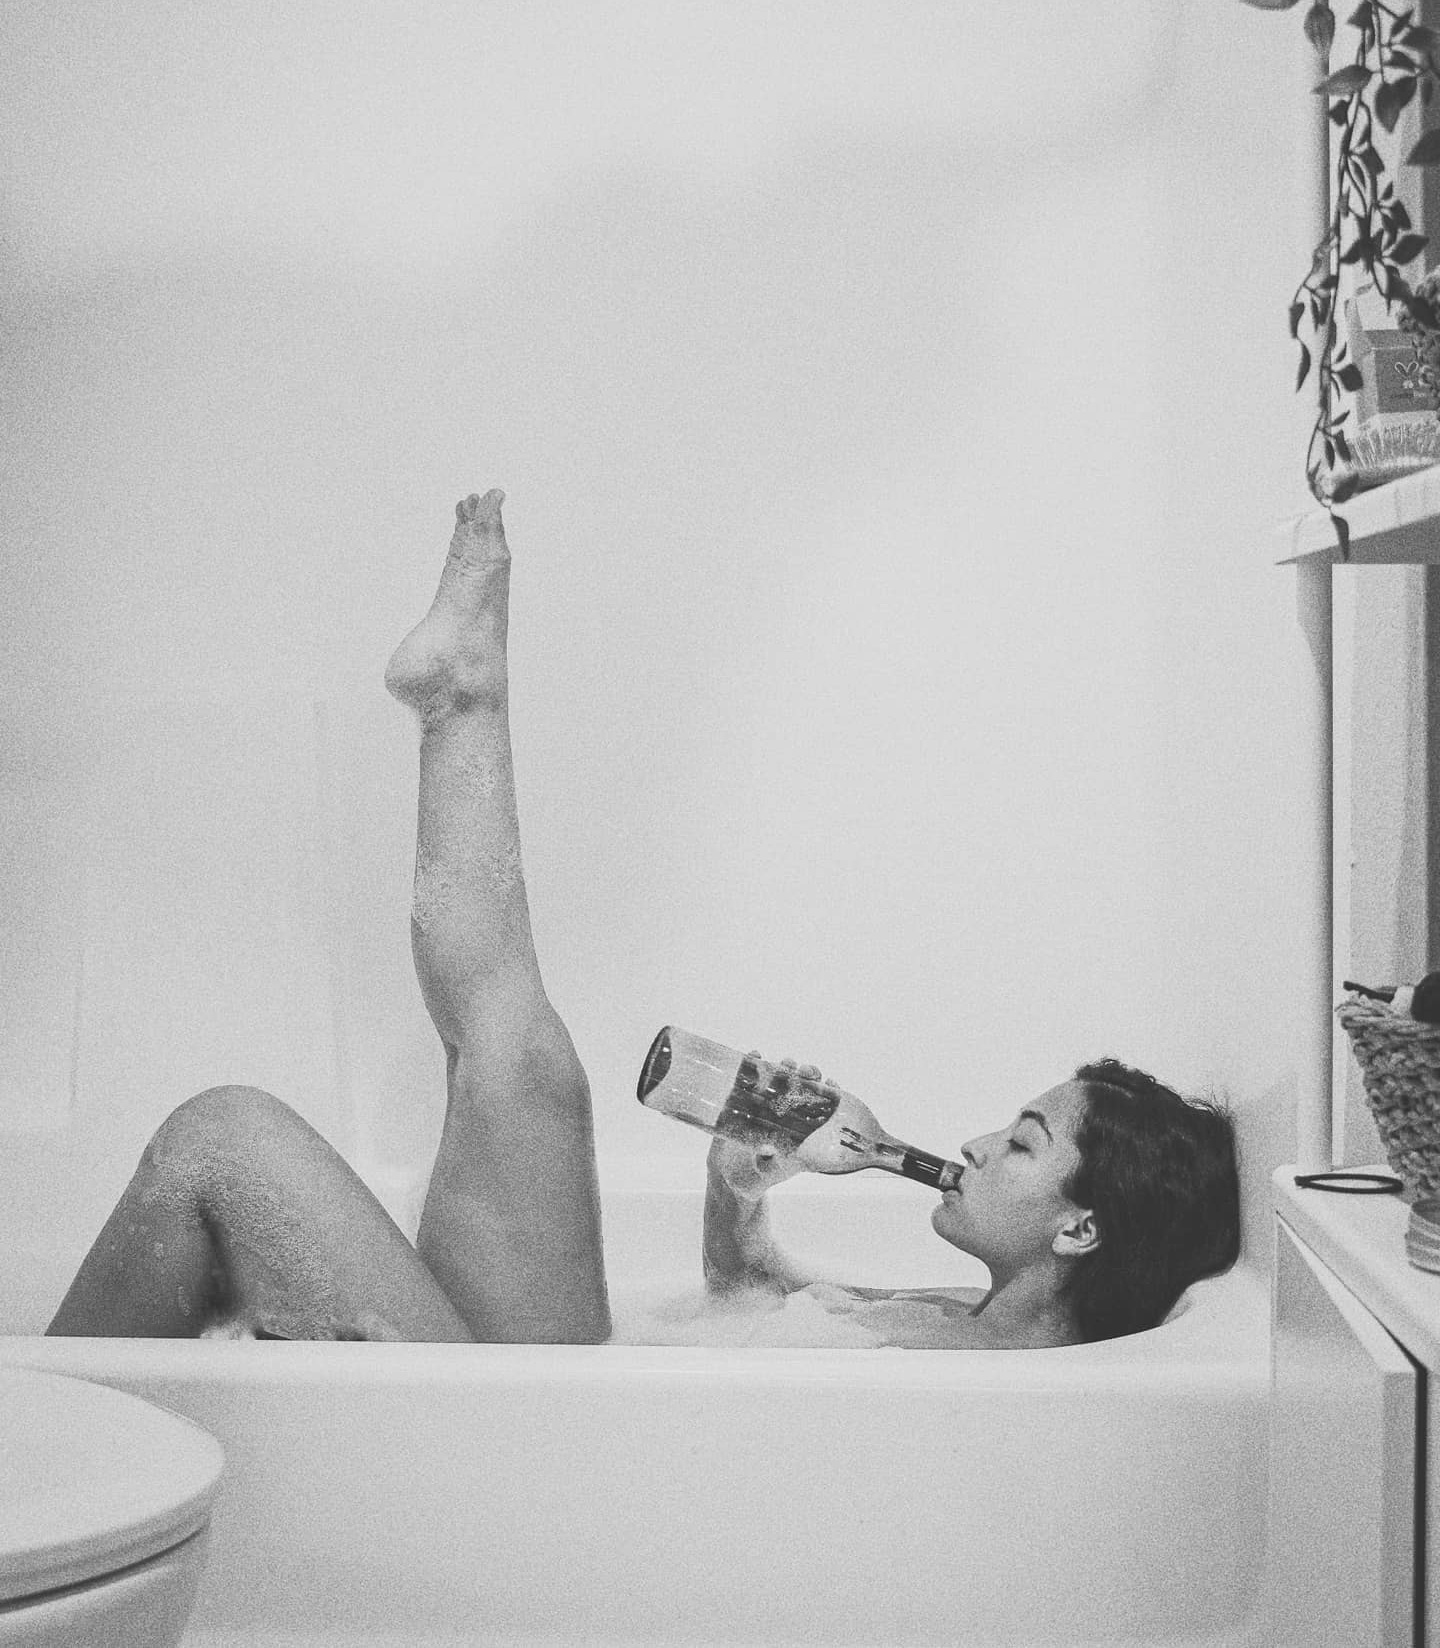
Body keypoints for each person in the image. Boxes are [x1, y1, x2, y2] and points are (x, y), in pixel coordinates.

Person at [46, 490, 1240, 1350]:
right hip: (584, 1419)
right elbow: (747, 1294)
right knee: (528, 1068)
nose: (977, 1142)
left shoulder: (991, 1385)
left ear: (1079, 1228)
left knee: (222, 1138)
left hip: (545, 1487)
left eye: (1023, 1143)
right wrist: (740, 1186)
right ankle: (464, 695)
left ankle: (40, 1460)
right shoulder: (956, 1321)